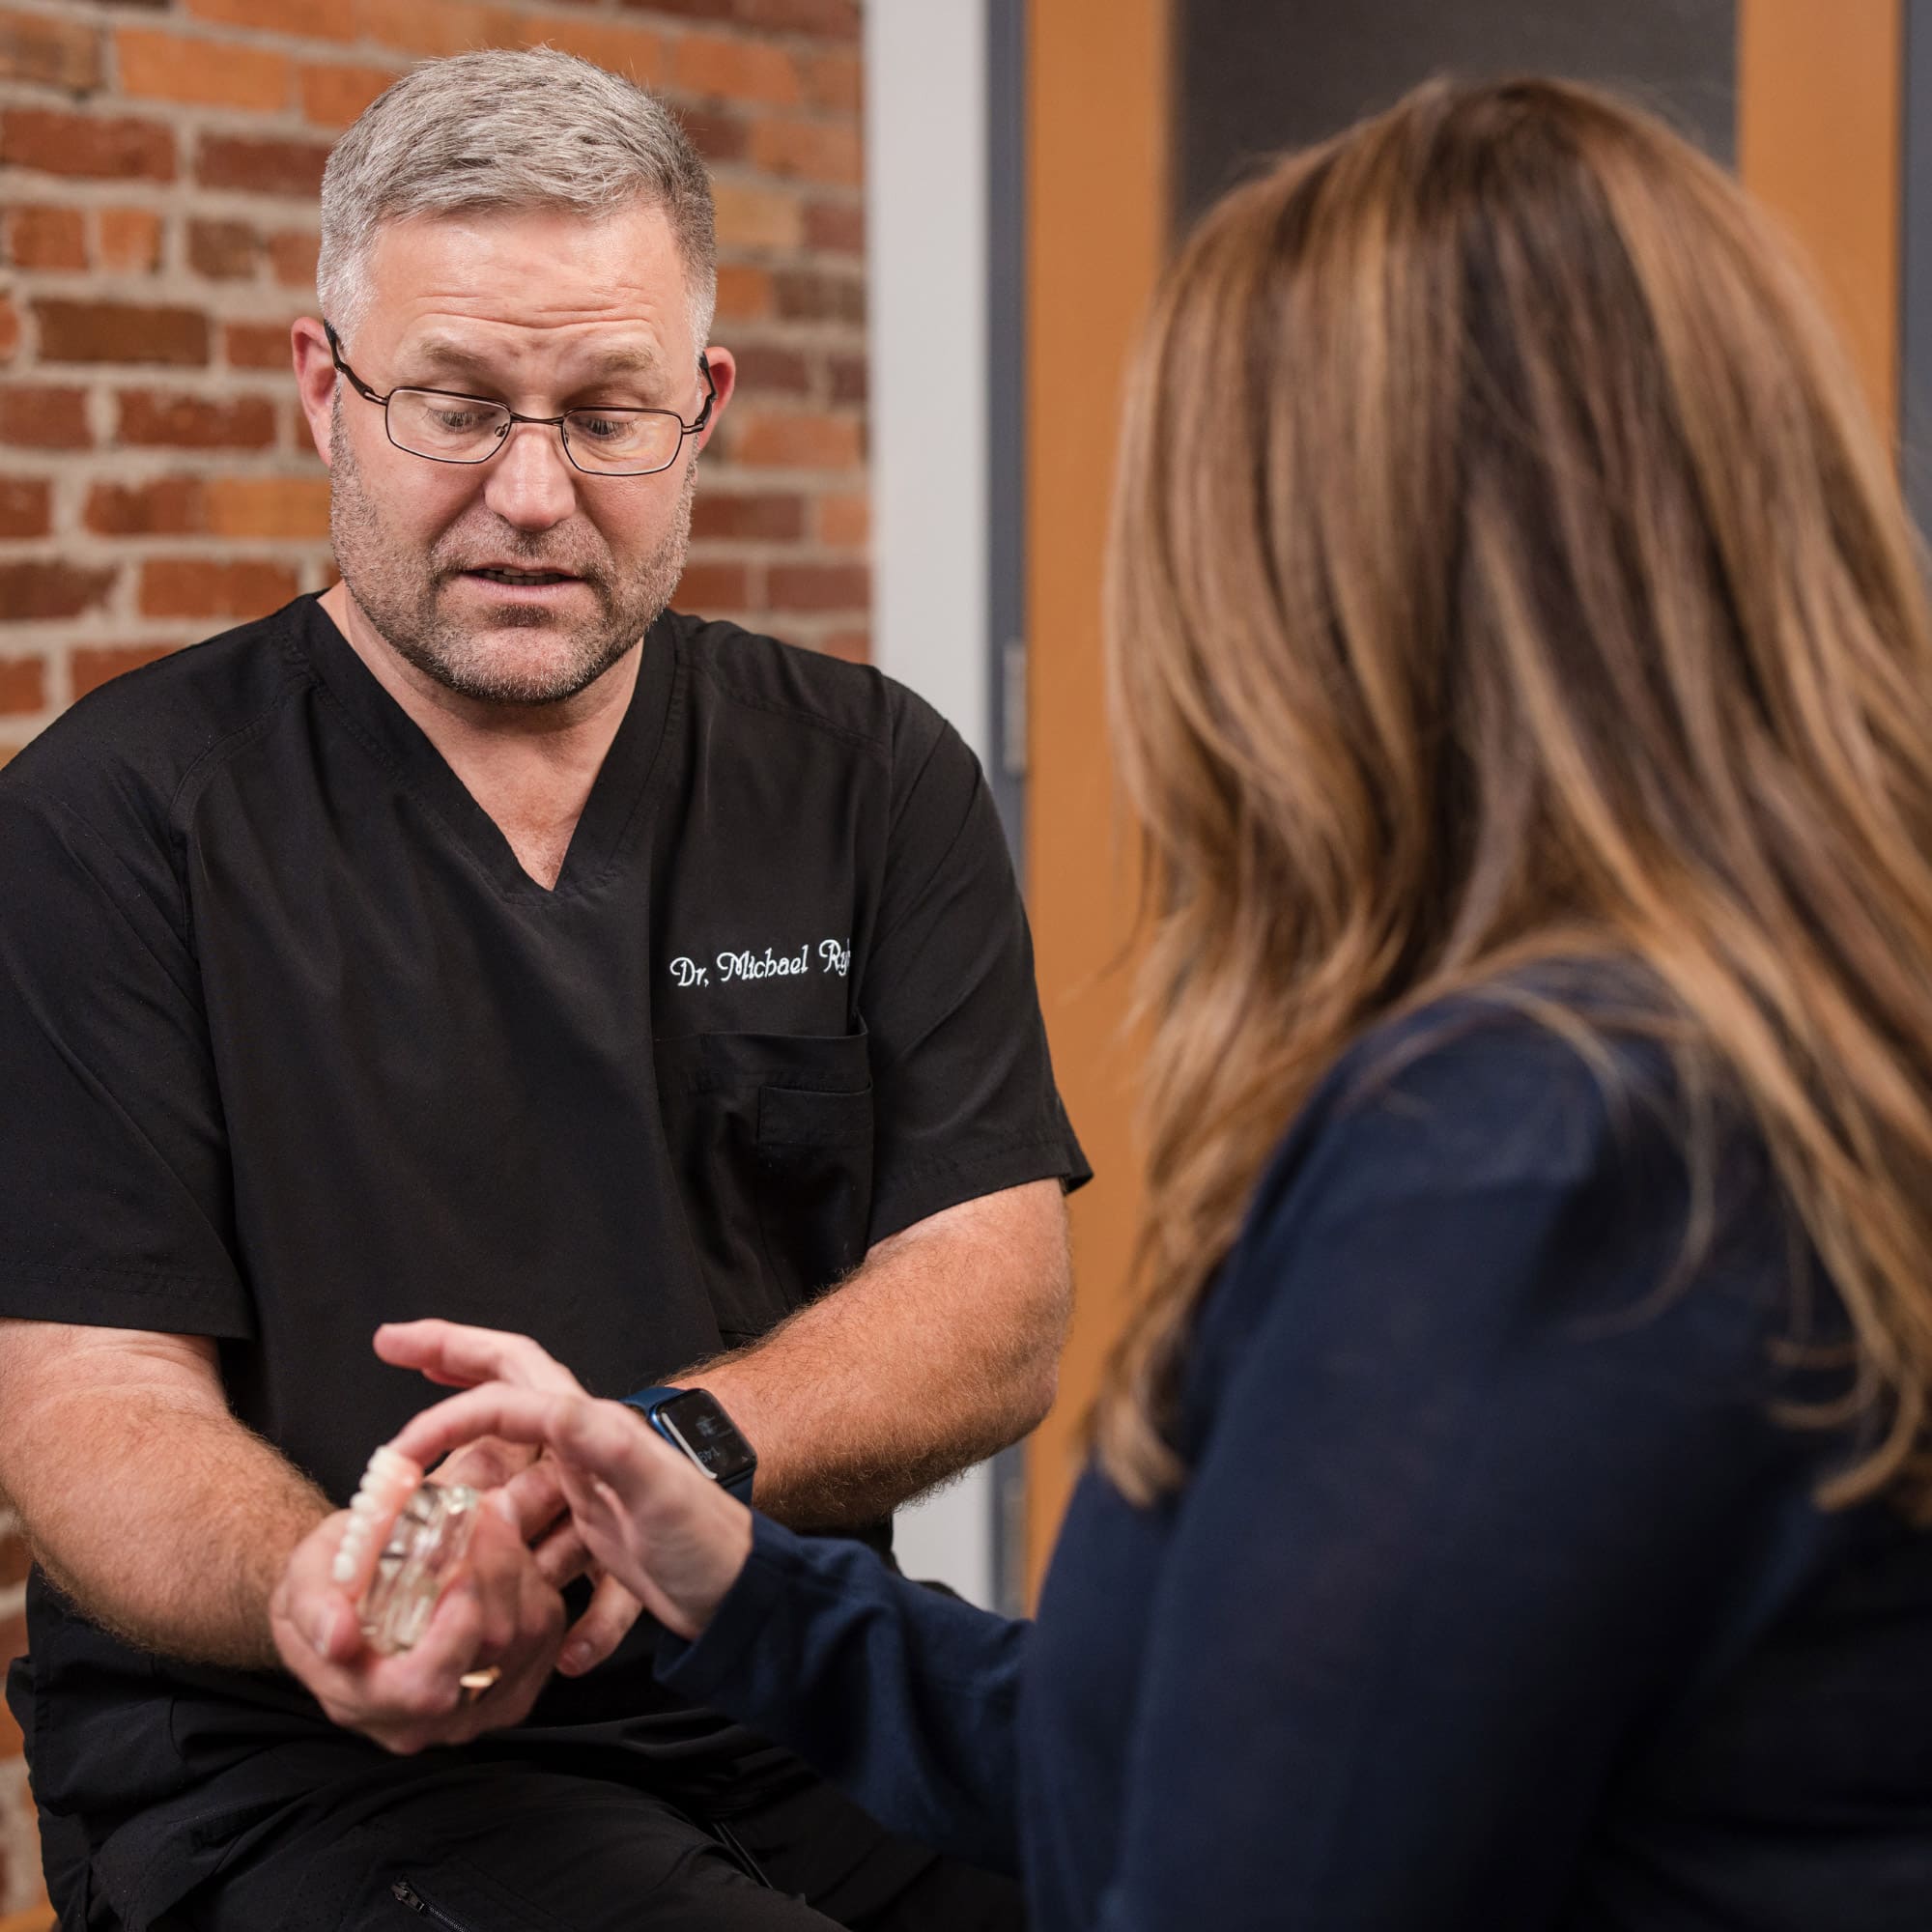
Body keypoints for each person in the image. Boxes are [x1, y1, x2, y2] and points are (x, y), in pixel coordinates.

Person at [377, 75, 1932, 1930]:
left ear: (1313, 589)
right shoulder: (1761, 1056)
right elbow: (1207, 1739)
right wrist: (734, 1573)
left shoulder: (1523, 1163)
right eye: (462, 403)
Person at [0, 46, 1087, 1932]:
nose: (529, 494)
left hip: (793, 1698)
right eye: (456, 407)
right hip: (308, 1764)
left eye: (603, 412)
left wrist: (659, 1455)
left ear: (705, 408)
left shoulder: (871, 775)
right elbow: (86, 1402)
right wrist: (339, 1583)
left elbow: (990, 1293)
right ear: (323, 394)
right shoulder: (114, 818)